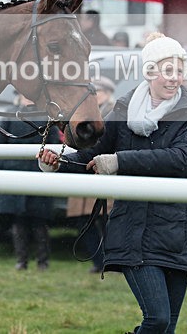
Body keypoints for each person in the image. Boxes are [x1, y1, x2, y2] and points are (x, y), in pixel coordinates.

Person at [38, 32, 187, 333]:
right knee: (157, 320)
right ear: (150, 72)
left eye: (179, 71)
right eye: (168, 70)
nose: (175, 78)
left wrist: (120, 161)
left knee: (167, 328)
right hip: (132, 232)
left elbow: (181, 160)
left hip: (174, 235)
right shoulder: (122, 110)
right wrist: (58, 162)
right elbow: (92, 154)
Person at [0, 92, 62, 271]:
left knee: (39, 222)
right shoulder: (10, 114)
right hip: (14, 174)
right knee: (18, 221)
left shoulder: (47, 116)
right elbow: (0, 144)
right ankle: (21, 260)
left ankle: (43, 261)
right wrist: (7, 167)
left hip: (38, 174)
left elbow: (53, 144)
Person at [66, 75, 116, 273]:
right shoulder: (83, 112)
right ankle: (99, 261)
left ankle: (111, 261)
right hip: (85, 171)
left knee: (107, 221)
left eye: (99, 92)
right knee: (83, 221)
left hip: (105, 174)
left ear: (108, 93)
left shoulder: (114, 112)